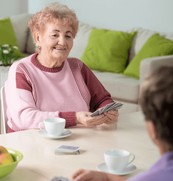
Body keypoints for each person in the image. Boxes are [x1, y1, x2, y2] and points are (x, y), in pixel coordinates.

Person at [5, 2, 118, 133]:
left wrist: (109, 111)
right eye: (55, 35)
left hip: (77, 140)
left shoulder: (78, 67)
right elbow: (24, 118)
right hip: (29, 143)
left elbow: (103, 99)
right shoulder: (22, 70)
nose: (63, 42)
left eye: (68, 36)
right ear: (38, 37)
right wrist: (75, 118)